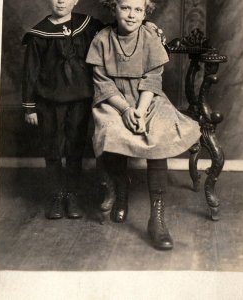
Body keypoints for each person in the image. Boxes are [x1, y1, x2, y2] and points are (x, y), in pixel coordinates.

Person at [22, 0, 162, 220]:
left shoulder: (87, 25)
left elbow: (122, 23)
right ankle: (57, 195)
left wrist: (150, 25)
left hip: (80, 99)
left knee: (74, 147)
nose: (61, 1)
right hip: (48, 101)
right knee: (52, 148)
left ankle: (72, 194)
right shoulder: (39, 33)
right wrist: (29, 106)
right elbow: (30, 71)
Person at [86, 0, 201, 250]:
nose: (131, 15)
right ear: (113, 8)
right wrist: (125, 110)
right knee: (111, 132)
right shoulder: (102, 39)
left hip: (147, 99)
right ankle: (121, 191)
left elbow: (152, 78)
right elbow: (102, 83)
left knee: (158, 133)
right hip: (114, 100)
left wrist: (138, 109)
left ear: (145, 12)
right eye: (125, 7)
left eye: (138, 9)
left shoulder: (150, 36)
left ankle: (156, 217)